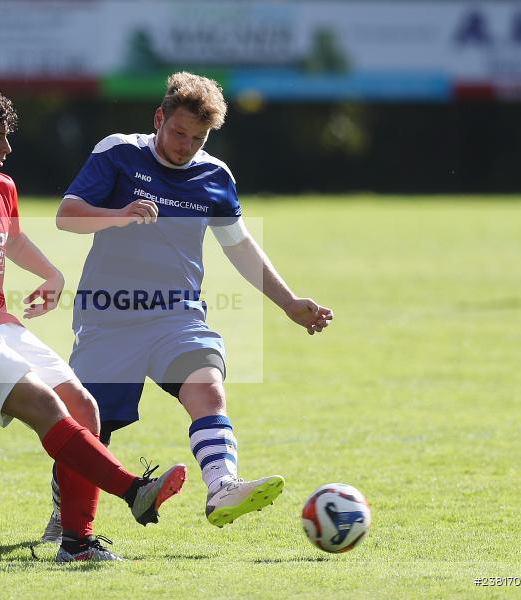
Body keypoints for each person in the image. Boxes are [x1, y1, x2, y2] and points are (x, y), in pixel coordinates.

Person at [0, 85, 187, 563]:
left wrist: (52, 273)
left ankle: (77, 544)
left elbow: (13, 240)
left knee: (83, 405)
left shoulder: (2, 188)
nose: (7, 149)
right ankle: (134, 491)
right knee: (44, 404)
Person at [41, 72, 333, 545]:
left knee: (207, 388)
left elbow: (240, 248)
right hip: (110, 316)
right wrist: (118, 215)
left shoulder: (215, 177)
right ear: (159, 118)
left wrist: (289, 302)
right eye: (178, 133)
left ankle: (222, 487)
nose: (186, 146)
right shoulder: (119, 152)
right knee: (94, 426)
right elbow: (67, 214)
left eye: (198, 138)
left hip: (177, 316)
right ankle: (64, 515)